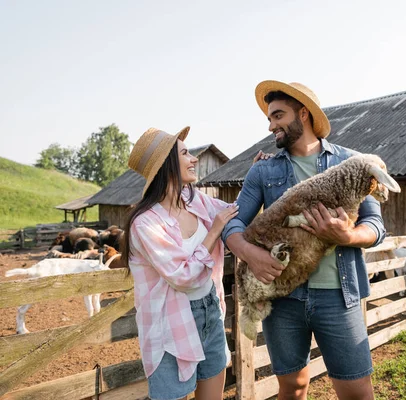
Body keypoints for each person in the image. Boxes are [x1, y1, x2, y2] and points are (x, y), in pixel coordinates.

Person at [222, 81, 387, 400]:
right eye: (269, 119)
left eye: (278, 115)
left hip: (339, 296)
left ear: (304, 113)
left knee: (357, 391)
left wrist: (348, 235)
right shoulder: (262, 171)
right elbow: (234, 222)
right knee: (293, 387)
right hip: (283, 299)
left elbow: (376, 225)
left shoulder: (353, 162)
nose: (271, 125)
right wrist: (248, 254)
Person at [122, 126, 239, 400]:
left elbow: (234, 210)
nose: (194, 159)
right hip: (169, 324)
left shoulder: (195, 200)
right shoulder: (146, 223)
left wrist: (258, 175)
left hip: (210, 310)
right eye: (185, 153)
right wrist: (213, 233)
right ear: (166, 165)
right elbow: (182, 277)